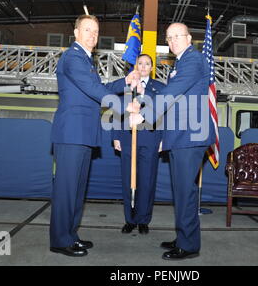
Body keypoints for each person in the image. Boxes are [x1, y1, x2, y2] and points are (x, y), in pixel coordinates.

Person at [50, 14, 137, 257]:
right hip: (71, 134)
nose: (92, 35)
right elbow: (93, 89)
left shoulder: (87, 61)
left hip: (84, 133)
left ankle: (70, 234)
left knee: (77, 191)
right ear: (76, 32)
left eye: (96, 32)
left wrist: (125, 82)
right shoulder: (73, 57)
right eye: (87, 30)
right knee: (67, 190)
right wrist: (124, 107)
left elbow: (100, 89)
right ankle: (59, 240)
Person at [127, 23, 216, 260]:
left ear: (189, 38)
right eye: (169, 37)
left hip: (190, 135)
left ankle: (188, 247)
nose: (173, 41)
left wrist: (143, 114)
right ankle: (184, 237)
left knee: (185, 192)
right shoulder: (181, 62)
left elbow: (172, 92)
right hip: (180, 136)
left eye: (178, 36)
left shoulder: (193, 60)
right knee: (181, 191)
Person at [112, 54, 165, 235]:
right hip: (127, 139)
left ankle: (143, 220)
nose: (143, 66)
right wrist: (116, 136)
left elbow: (165, 115)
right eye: (140, 63)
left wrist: (163, 139)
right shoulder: (127, 85)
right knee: (128, 180)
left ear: (152, 67)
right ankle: (130, 219)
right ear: (135, 66)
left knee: (147, 181)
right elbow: (116, 112)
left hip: (150, 139)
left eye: (147, 64)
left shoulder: (159, 88)